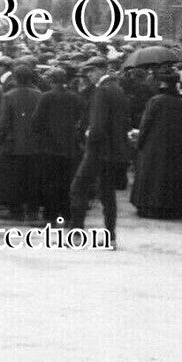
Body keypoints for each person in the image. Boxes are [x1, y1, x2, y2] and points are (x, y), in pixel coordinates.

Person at [69, 57, 130, 248]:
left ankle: (77, 234)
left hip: (96, 150)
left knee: (77, 188)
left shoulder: (101, 92)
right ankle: (110, 236)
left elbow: (98, 125)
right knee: (107, 194)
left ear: (102, 70)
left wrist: (89, 133)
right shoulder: (118, 90)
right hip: (113, 151)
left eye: (92, 71)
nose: (89, 75)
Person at [130, 69, 182, 219]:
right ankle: (169, 208)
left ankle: (148, 206)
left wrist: (139, 143)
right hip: (176, 148)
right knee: (169, 178)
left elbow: (145, 124)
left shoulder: (155, 101)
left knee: (151, 177)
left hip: (153, 146)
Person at [32, 67, 84, 224]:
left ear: (51, 80)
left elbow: (36, 121)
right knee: (67, 181)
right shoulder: (74, 97)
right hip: (69, 146)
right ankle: (67, 215)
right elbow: (79, 118)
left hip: (49, 146)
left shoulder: (46, 97)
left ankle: (50, 216)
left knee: (50, 182)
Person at [0, 63, 43, 220]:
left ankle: (16, 210)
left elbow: (3, 122)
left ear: (15, 78)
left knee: (15, 179)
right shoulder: (39, 95)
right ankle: (33, 210)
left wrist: (2, 138)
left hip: (14, 144)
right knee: (34, 178)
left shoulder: (8, 96)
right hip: (35, 144)